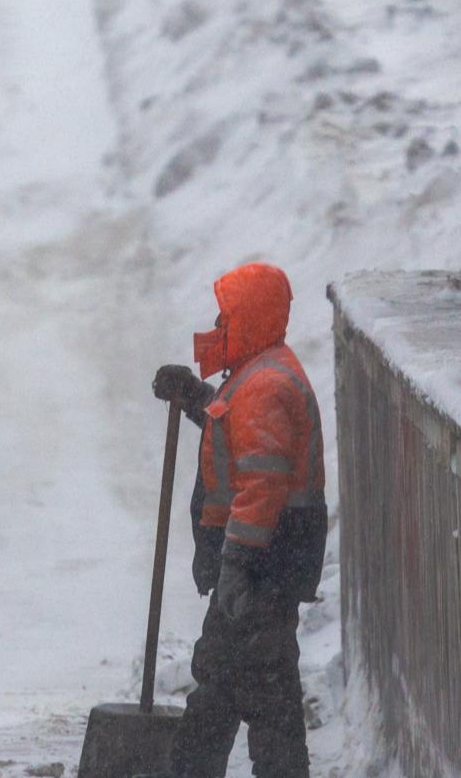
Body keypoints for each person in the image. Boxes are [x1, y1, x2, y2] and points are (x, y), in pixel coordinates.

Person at [145, 263, 327, 778]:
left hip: (262, 569)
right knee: (230, 684)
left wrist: (237, 564)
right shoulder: (258, 375)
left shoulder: (266, 384)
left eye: (226, 317)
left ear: (250, 318)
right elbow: (238, 428)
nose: (218, 328)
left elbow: (261, 484)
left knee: (259, 692)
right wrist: (196, 399)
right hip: (266, 567)